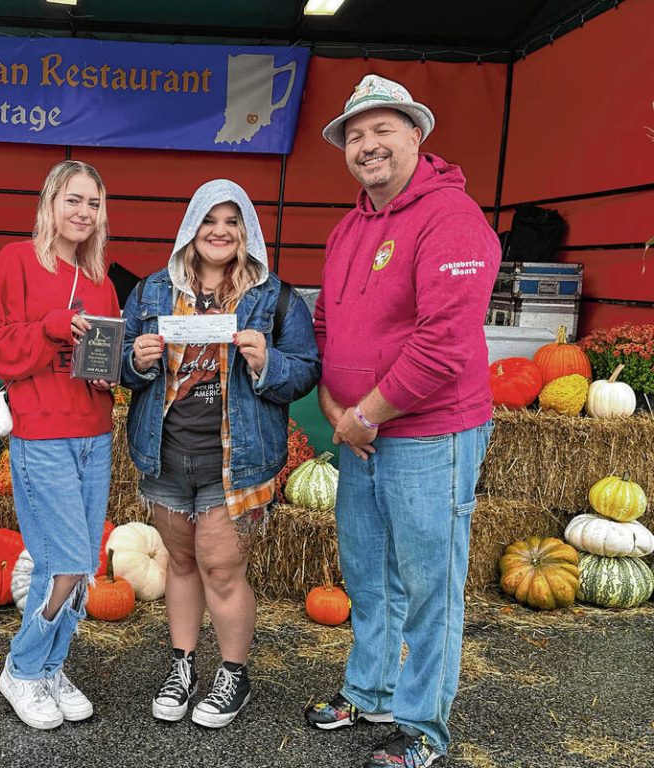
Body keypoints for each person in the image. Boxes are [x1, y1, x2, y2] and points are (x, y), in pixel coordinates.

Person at [305, 74, 500, 767]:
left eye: (383, 129)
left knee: (428, 586)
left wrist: (365, 413)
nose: (367, 145)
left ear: (416, 135)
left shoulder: (450, 218)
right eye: (355, 135)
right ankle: (372, 689)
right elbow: (327, 322)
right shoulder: (349, 226)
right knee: (368, 575)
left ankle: (423, 728)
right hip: (358, 434)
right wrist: (335, 406)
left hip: (428, 434)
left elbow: (444, 344)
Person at [121, 178, 320, 729]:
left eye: (233, 222)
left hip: (237, 459)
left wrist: (266, 363)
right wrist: (135, 360)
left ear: (247, 231)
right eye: (211, 220)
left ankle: (234, 672)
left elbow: (305, 372)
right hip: (165, 452)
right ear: (192, 227)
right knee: (181, 563)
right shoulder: (151, 292)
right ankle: (182, 665)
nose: (220, 231)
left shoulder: (275, 297)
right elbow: (117, 369)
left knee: (223, 569)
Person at [0, 160, 120, 731]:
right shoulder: (19, 261)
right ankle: (24, 669)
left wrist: (109, 375)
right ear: (51, 204)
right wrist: (50, 327)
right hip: (43, 431)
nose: (83, 213)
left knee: (81, 568)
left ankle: (52, 667)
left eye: (94, 204)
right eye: (73, 201)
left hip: (93, 430)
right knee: (64, 563)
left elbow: (98, 357)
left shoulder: (102, 279)